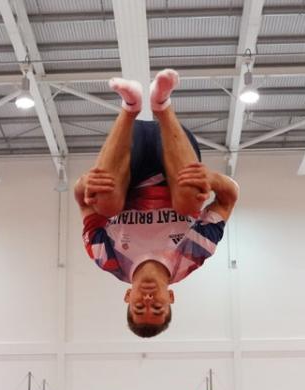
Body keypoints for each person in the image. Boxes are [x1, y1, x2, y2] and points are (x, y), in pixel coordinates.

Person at [75, 69, 239, 338]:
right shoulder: (191, 256)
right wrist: (211, 178)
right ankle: (161, 104)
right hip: (175, 155)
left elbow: (82, 201)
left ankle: (130, 106)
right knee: (189, 202)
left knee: (104, 203)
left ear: (128, 295)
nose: (148, 300)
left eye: (139, 306)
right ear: (171, 298)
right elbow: (230, 196)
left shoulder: (109, 259)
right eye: (158, 306)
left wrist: (85, 183)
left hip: (129, 155)